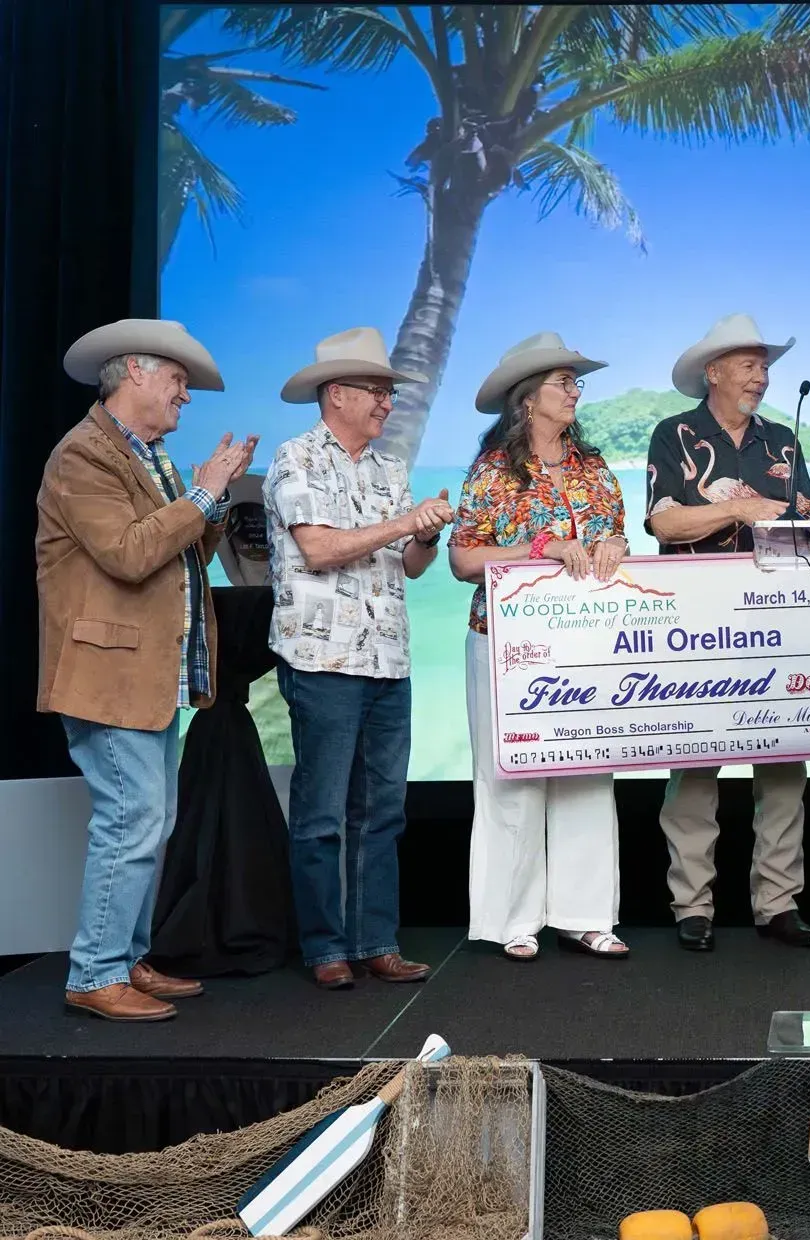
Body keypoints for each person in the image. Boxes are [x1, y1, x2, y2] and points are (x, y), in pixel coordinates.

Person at [41, 318, 256, 1021]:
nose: (185, 396)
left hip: (149, 677)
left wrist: (211, 499)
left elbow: (182, 552)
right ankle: (94, 973)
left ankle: (124, 958)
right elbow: (130, 555)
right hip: (108, 674)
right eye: (177, 379)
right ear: (133, 370)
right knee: (131, 821)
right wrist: (202, 494)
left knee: (148, 822)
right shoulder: (84, 457)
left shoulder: (148, 455)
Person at [263, 327, 452, 990]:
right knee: (320, 814)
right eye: (375, 391)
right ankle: (324, 949)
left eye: (387, 393)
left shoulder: (389, 470)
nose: (385, 404)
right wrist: (406, 524)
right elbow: (318, 549)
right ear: (336, 394)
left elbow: (412, 567)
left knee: (383, 811)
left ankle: (376, 941)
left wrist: (425, 536)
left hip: (387, 662)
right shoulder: (296, 460)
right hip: (323, 662)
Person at [449, 332, 631, 962]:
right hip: (504, 647)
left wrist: (614, 548)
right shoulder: (493, 472)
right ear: (528, 401)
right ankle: (513, 918)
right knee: (511, 780)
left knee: (588, 775)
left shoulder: (594, 467)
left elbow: (619, 540)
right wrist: (539, 549)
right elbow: (463, 558)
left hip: (586, 646)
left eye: (577, 383)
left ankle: (584, 915)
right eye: (564, 383)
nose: (575, 392)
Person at [643, 313, 810, 952]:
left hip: (777, 619)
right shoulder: (675, 434)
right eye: (749, 365)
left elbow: (808, 525)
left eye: (765, 367)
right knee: (695, 766)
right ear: (712, 372)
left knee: (784, 766)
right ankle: (693, 905)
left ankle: (777, 903)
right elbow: (665, 525)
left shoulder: (784, 443)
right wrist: (739, 507)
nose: (762, 377)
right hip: (697, 624)